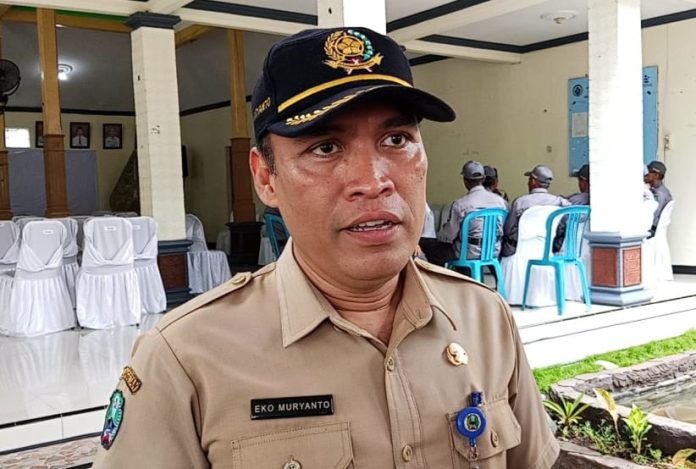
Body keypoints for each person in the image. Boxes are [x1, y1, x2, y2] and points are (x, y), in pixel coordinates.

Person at [94, 26, 559, 468]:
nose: (373, 182)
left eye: (396, 139)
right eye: (325, 148)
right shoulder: (184, 358)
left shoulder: (484, 318)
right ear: (265, 178)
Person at [438, 160, 508, 261]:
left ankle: (456, 271)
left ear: (465, 180)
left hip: (467, 254)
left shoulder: (460, 204)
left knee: (433, 248)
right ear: (483, 178)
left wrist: (438, 235)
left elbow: (449, 235)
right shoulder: (501, 202)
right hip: (494, 252)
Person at [502, 164, 570, 257]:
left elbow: (508, 230)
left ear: (533, 181)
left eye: (529, 179)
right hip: (547, 251)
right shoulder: (560, 202)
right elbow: (567, 221)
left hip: (520, 252)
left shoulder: (520, 202)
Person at [553, 164, 589, 253]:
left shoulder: (574, 201)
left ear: (584, 182)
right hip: (588, 249)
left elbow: (560, 225)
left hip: (569, 249)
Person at [644, 160, 673, 237]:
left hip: (652, 230)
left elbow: (652, 214)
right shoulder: (658, 189)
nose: (645, 174)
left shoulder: (660, 194)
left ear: (656, 175)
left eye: (648, 172)